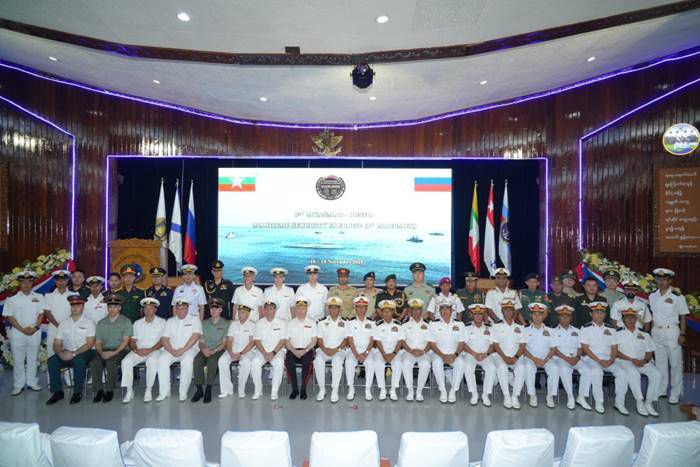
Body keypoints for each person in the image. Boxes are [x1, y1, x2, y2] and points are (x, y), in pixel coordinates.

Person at [648, 267, 689, 404]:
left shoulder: (678, 296)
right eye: (658, 279)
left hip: (672, 332)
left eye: (664, 280)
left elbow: (683, 316)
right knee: (660, 363)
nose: (661, 282)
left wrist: (682, 333)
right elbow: (653, 315)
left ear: (670, 281)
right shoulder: (652, 296)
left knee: (675, 364)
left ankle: (675, 393)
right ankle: (662, 390)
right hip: (657, 332)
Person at [46, 295, 96, 405]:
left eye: (78, 305)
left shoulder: (89, 322)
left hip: (86, 352)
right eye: (73, 305)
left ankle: (77, 392)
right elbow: (57, 343)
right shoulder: (63, 323)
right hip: (67, 352)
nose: (75, 308)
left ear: (83, 306)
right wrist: (60, 353)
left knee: (78, 361)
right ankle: (58, 392)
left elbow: (90, 343)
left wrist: (74, 353)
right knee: (52, 361)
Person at [579, 301, 627, 414]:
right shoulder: (585, 328)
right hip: (591, 358)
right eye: (596, 312)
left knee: (622, 372)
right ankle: (599, 402)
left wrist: (611, 360)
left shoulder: (611, 329)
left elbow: (614, 347)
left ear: (605, 314)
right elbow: (585, 348)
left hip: (608, 359)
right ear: (591, 314)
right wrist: (598, 360)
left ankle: (619, 403)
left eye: (602, 312)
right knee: (597, 371)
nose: (600, 315)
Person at [616, 307, 662, 416]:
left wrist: (645, 361)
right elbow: (616, 352)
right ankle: (639, 401)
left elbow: (650, 351)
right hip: (624, 361)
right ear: (623, 319)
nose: (630, 320)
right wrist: (632, 360)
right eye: (627, 317)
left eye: (632, 317)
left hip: (642, 361)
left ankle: (649, 403)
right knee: (634, 372)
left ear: (636, 319)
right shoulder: (617, 334)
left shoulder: (645, 334)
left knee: (657, 374)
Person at [4, 271, 45, 395]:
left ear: (32, 283)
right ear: (19, 283)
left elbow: (41, 314)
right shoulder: (12, 299)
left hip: (34, 332)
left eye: (29, 282)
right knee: (18, 360)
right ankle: (18, 385)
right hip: (18, 332)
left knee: (33, 358)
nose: (26, 284)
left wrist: (35, 327)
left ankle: (32, 382)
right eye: (23, 282)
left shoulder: (39, 297)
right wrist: (22, 329)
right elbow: (9, 317)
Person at [156, 298, 203, 402]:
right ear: (175, 309)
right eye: (178, 308)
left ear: (187, 308)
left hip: (189, 349)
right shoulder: (170, 321)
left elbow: (195, 336)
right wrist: (171, 350)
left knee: (187, 361)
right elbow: (164, 338)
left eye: (182, 308)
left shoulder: (195, 319)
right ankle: (164, 392)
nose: (180, 311)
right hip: (172, 349)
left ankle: (183, 392)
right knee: (162, 360)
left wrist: (183, 350)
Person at [121, 297, 166, 403]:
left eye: (151, 308)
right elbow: (132, 340)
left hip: (155, 350)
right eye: (146, 308)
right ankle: (129, 390)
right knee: (126, 361)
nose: (148, 311)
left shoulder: (162, 322)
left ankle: (148, 389)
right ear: (143, 310)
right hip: (139, 350)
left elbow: (163, 341)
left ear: (155, 309)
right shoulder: (137, 323)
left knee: (152, 361)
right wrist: (136, 349)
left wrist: (150, 350)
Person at [90, 294, 133, 403]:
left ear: (119, 308)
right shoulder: (101, 323)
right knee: (95, 362)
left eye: (115, 306)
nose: (112, 309)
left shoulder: (126, 321)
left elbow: (125, 341)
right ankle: (99, 390)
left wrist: (113, 353)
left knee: (111, 362)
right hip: (104, 350)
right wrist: (101, 353)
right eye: (110, 307)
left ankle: (110, 390)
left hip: (121, 350)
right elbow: (98, 342)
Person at [550, 304, 590, 410]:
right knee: (564, 369)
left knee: (586, 370)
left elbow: (580, 347)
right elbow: (554, 350)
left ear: (571, 318)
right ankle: (570, 396)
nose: (565, 318)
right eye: (562, 316)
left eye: (567, 316)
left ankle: (581, 397)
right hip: (561, 358)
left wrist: (577, 358)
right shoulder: (553, 331)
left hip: (575, 358)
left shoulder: (577, 331)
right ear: (558, 317)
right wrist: (566, 358)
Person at [519, 303, 557, 408]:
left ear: (543, 316)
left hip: (546, 359)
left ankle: (550, 396)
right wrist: (534, 359)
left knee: (555, 368)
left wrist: (545, 360)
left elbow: (553, 348)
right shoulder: (525, 330)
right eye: (534, 314)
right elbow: (523, 348)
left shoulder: (550, 330)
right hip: (530, 358)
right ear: (531, 315)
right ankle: (532, 395)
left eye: (539, 314)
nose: (537, 317)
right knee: (528, 367)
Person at [490, 299, 526, 409]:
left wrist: (516, 357)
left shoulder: (520, 327)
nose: (509, 312)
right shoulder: (496, 326)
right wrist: (504, 357)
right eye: (506, 310)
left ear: (514, 311)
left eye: (511, 310)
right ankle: (506, 396)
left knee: (521, 368)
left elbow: (522, 345)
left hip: (516, 356)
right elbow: (495, 345)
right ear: (502, 311)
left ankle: (515, 396)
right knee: (502, 368)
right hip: (500, 356)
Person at [192, 297, 229, 403]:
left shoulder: (226, 323)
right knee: (197, 360)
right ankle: (199, 389)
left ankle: (208, 388)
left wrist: (215, 350)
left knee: (212, 361)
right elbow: (201, 340)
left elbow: (224, 343)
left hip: (218, 350)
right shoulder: (204, 323)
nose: (213, 310)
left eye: (216, 309)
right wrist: (203, 349)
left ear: (220, 310)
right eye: (212, 308)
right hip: (205, 349)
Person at [429, 299, 467, 404]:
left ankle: (453, 391)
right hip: (438, 354)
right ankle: (443, 391)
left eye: (447, 308)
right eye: (442, 309)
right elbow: (432, 344)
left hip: (455, 354)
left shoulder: (460, 324)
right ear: (439, 311)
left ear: (452, 310)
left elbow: (461, 343)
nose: (445, 311)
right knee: (436, 363)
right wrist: (442, 355)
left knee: (461, 363)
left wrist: (455, 355)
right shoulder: (433, 324)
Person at [218, 304, 257, 399]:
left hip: (247, 351)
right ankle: (226, 390)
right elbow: (229, 340)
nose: (239, 314)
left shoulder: (253, 325)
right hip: (233, 350)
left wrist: (241, 353)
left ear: (248, 314)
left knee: (246, 363)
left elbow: (252, 342)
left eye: (242, 312)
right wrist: (230, 352)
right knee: (222, 361)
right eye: (239, 312)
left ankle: (241, 389)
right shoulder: (233, 324)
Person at [345, 296, 380, 401]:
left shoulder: (372, 323)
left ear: (366, 308)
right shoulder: (349, 322)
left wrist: (365, 353)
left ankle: (367, 389)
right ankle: (351, 389)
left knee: (371, 363)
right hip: (353, 350)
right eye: (358, 307)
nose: (361, 309)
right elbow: (350, 340)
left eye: (363, 307)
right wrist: (356, 354)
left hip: (367, 351)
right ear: (355, 308)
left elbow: (372, 341)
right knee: (349, 362)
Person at [251, 299, 287, 400]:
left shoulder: (282, 323)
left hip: (277, 351)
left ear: (275, 310)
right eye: (266, 309)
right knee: (255, 363)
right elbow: (257, 341)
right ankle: (258, 390)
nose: (268, 311)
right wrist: (264, 353)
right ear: (264, 310)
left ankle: (274, 392)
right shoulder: (259, 323)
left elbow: (283, 340)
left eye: (271, 309)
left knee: (279, 363)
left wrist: (273, 353)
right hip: (262, 351)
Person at [314, 296, 348, 403]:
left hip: (339, 350)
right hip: (323, 349)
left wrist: (336, 349)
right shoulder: (321, 322)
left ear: (339, 309)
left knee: (337, 361)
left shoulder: (346, 322)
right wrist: (324, 349)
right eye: (331, 308)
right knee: (318, 361)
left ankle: (334, 390)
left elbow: (346, 340)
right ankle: (322, 389)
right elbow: (319, 339)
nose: (333, 310)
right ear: (328, 309)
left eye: (336, 308)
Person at [462, 304, 496, 406]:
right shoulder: (466, 327)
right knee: (468, 367)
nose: (478, 317)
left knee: (492, 368)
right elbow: (463, 344)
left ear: (483, 315)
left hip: (486, 355)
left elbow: (493, 344)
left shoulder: (490, 328)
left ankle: (485, 395)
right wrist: (474, 354)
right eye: (475, 314)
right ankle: (474, 394)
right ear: (472, 315)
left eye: (480, 314)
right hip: (471, 354)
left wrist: (486, 354)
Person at [285, 297, 318, 400]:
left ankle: (303, 389)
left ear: (307, 309)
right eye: (298, 308)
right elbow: (287, 341)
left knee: (307, 364)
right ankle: (295, 389)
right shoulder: (290, 323)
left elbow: (314, 341)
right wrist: (294, 351)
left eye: (303, 308)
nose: (300, 311)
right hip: (293, 350)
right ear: (295, 309)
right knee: (289, 362)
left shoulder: (312, 323)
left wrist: (305, 350)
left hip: (307, 350)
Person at [400, 298, 432, 402]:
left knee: (426, 365)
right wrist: (411, 351)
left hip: (424, 352)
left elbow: (431, 342)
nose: (415, 312)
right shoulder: (405, 325)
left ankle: (419, 392)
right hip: (409, 352)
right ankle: (410, 391)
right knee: (406, 363)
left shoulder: (428, 325)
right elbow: (402, 341)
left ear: (421, 311)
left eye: (418, 309)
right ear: (410, 311)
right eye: (413, 309)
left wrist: (423, 351)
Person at [374, 300, 405, 401]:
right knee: (378, 364)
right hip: (381, 351)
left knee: (398, 364)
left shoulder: (398, 324)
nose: (386, 314)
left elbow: (400, 341)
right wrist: (384, 354)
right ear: (381, 313)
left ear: (393, 312)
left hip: (395, 352)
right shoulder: (377, 325)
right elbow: (377, 341)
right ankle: (382, 389)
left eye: (389, 311)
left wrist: (393, 353)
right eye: (384, 311)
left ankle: (393, 389)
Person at [44, 270, 78, 358]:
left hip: (70, 327)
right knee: (51, 353)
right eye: (58, 280)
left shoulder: (74, 294)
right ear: (55, 281)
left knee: (70, 353)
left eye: (63, 280)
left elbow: (76, 311)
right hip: (53, 328)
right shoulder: (49, 296)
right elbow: (47, 312)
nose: (61, 282)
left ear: (67, 280)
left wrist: (65, 325)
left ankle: (68, 368)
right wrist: (58, 325)